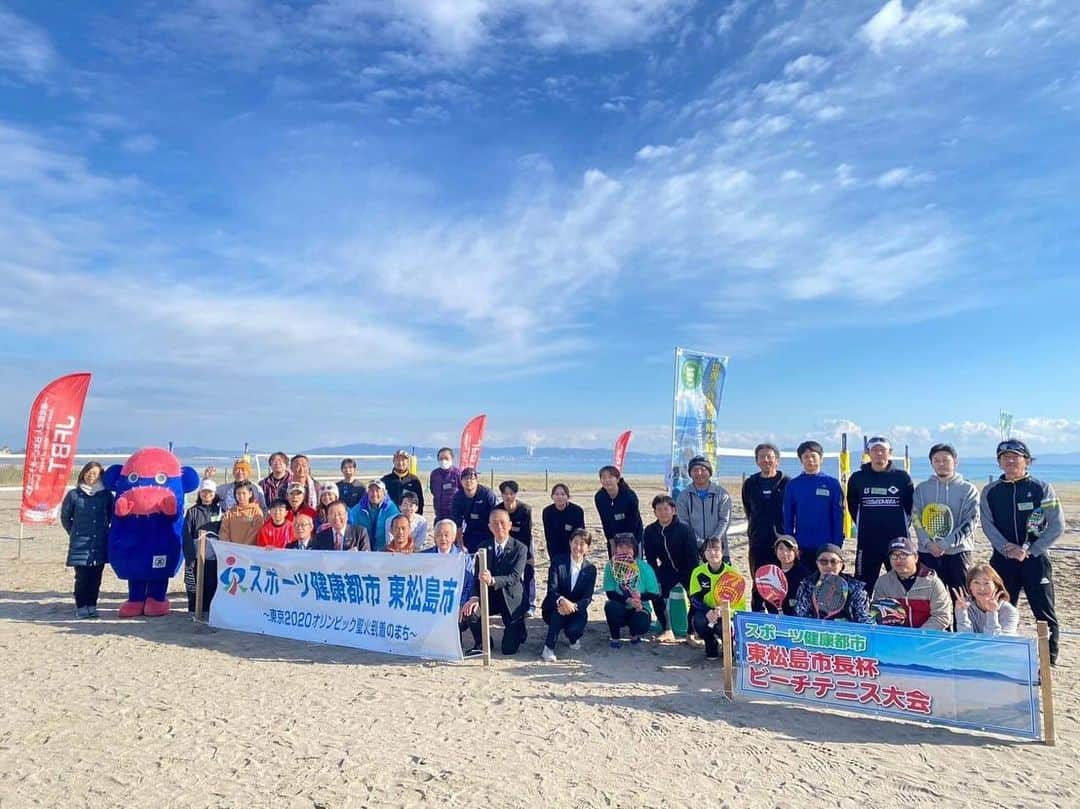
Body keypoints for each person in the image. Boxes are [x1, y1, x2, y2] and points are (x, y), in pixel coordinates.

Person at [981, 438, 1064, 664]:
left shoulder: (1041, 488)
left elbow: (1057, 525)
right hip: (1002, 561)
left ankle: (1049, 660)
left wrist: (1031, 550)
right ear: (999, 463)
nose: (1010, 460)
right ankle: (1000, 655)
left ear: (1026, 461)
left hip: (1035, 560)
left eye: (1015, 456)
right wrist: (1006, 549)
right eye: (1004, 457)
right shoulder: (990, 491)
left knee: (1044, 612)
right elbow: (987, 525)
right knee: (1000, 608)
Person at [847, 436, 915, 592]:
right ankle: (862, 615)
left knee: (901, 581)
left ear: (889, 453)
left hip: (897, 541)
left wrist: (898, 529)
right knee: (863, 584)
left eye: (882, 450)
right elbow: (853, 507)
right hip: (868, 541)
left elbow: (910, 509)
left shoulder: (901, 477)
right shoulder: (857, 478)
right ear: (868, 453)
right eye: (875, 450)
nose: (879, 454)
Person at [913, 443, 979, 596]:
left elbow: (971, 521)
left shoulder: (968, 489)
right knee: (929, 596)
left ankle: (961, 622)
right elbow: (916, 519)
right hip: (927, 551)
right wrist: (928, 543)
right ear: (931, 463)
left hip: (958, 551)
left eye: (946, 460)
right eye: (937, 460)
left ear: (955, 462)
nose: (941, 464)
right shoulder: (921, 489)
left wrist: (945, 543)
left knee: (961, 597)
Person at [642, 494, 700, 643]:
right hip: (667, 569)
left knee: (696, 597)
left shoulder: (684, 529)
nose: (663, 512)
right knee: (655, 591)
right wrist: (655, 579)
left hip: (688, 568)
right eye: (659, 509)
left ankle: (690, 633)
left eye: (666, 509)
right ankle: (667, 630)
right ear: (654, 512)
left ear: (673, 510)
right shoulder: (650, 531)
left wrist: (692, 579)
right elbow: (650, 558)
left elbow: (693, 557)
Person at [61, 461, 113, 618]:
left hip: (99, 541)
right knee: (82, 577)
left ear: (100, 476)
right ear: (83, 473)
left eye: (95, 473)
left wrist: (105, 531)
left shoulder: (106, 495)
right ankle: (81, 606)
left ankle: (92, 605)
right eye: (89, 472)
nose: (91, 476)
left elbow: (111, 515)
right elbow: (65, 517)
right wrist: (74, 532)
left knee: (96, 577)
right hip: (80, 543)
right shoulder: (74, 494)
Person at [423, 518, 483, 656]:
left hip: (458, 604)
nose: (443, 538)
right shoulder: (424, 556)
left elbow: (469, 584)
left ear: (453, 537)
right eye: (439, 535)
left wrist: (460, 604)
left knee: (472, 610)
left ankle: (481, 643)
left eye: (446, 535)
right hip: (434, 604)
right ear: (434, 537)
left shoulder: (463, 557)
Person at [742, 443, 790, 610]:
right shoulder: (750, 484)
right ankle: (757, 617)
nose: (766, 460)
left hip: (782, 541)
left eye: (770, 456)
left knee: (780, 581)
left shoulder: (787, 482)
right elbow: (749, 510)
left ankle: (779, 616)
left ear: (777, 460)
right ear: (757, 461)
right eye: (761, 457)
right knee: (759, 580)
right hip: (758, 540)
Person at [477, 509, 528, 655]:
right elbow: (477, 577)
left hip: (511, 597)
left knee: (509, 649)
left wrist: (493, 580)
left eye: (502, 523)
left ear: (510, 525)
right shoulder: (483, 547)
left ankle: (519, 626)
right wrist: (475, 598)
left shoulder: (520, 548)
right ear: (489, 526)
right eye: (494, 523)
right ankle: (484, 641)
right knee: (472, 614)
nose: (499, 527)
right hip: (491, 596)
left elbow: (514, 576)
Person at [541, 528, 597, 661]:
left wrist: (572, 606)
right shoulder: (558, 562)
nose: (578, 547)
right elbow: (552, 589)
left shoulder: (591, 569)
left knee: (574, 630)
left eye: (582, 544)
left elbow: (587, 597)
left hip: (577, 609)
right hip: (555, 606)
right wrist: (562, 601)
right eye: (575, 542)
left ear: (588, 548)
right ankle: (548, 648)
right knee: (558, 613)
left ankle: (573, 639)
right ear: (570, 543)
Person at [870, 537, 951, 630]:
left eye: (903, 555)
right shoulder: (883, 583)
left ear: (915, 557)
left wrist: (916, 636)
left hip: (926, 637)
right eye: (894, 556)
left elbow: (941, 617)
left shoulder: (933, 583)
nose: (898, 560)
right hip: (896, 637)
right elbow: (881, 616)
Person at [688, 536, 748, 660]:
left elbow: (741, 606)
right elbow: (694, 598)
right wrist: (708, 611)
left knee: (724, 626)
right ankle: (711, 644)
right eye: (708, 550)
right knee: (698, 621)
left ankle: (728, 647)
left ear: (722, 552)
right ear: (704, 553)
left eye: (716, 549)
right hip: (707, 611)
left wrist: (724, 612)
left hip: (726, 613)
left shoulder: (733, 574)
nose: (712, 553)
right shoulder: (698, 572)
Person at [782, 441, 844, 557]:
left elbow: (838, 516)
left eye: (813, 456)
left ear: (821, 459)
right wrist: (790, 542)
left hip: (827, 545)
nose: (810, 460)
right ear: (801, 460)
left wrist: (837, 543)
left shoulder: (832, 483)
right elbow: (788, 516)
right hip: (802, 544)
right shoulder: (793, 485)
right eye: (806, 457)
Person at [603, 534, 660, 648]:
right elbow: (610, 593)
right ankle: (615, 637)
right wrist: (628, 600)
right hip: (620, 605)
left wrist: (640, 597)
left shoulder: (644, 567)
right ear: (616, 549)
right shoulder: (610, 566)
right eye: (620, 546)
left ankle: (634, 635)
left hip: (640, 607)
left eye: (628, 547)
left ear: (634, 549)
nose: (624, 550)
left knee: (641, 622)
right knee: (610, 606)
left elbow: (654, 594)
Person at [794, 545, 873, 623]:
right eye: (823, 561)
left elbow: (864, 621)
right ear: (817, 563)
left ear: (841, 565)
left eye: (834, 562)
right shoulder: (806, 586)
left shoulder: (856, 589)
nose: (829, 565)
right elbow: (801, 618)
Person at [675, 455, 733, 561]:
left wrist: (712, 542)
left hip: (718, 550)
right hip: (693, 549)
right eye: (695, 470)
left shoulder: (721, 494)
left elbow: (725, 520)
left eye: (703, 469)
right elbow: (683, 522)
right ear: (690, 473)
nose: (699, 473)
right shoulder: (683, 496)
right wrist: (701, 543)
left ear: (710, 472)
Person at [495, 480, 536, 616]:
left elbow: (527, 534)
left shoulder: (525, 510)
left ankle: (531, 604)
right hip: (504, 544)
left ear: (515, 494)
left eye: (511, 493)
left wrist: (528, 556)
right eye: (505, 494)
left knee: (528, 571)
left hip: (523, 543)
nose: (508, 496)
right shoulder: (498, 510)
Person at [182, 478, 222, 613]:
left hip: (214, 555)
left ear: (214, 493)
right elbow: (186, 534)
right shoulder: (192, 511)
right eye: (204, 492)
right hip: (196, 554)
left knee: (211, 583)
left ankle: (209, 611)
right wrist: (189, 556)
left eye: (210, 492)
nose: (207, 494)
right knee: (193, 584)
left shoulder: (220, 511)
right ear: (200, 493)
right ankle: (194, 610)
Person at [954, 563, 1020, 636]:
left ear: (996, 586)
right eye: (976, 582)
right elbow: (965, 640)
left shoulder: (1008, 610)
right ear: (970, 587)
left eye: (986, 583)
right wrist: (962, 614)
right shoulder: (965, 606)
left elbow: (998, 642)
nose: (981, 588)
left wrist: (992, 613)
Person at [594, 465, 644, 556]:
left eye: (610, 477)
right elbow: (605, 522)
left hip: (633, 535)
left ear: (617, 479)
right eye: (603, 478)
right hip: (614, 536)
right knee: (616, 565)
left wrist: (627, 545)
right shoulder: (599, 497)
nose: (607, 480)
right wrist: (612, 543)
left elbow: (633, 522)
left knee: (634, 565)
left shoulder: (629, 496)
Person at [452, 467, 497, 553]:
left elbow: (496, 516)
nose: (468, 481)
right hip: (470, 530)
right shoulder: (458, 497)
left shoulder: (487, 494)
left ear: (476, 480)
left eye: (471, 478)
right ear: (461, 481)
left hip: (488, 530)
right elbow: (458, 523)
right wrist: (461, 544)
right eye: (465, 479)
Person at [348, 479, 400, 551]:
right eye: (371, 491)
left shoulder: (391, 509)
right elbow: (349, 526)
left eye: (377, 491)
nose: (374, 494)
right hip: (363, 550)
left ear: (384, 493)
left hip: (385, 550)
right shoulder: (358, 509)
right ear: (367, 493)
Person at [766, 535, 809, 616]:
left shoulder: (803, 573)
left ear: (796, 552)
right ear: (776, 551)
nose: (784, 553)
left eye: (789, 549)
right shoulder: (770, 572)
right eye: (781, 549)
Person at [541, 483, 586, 561]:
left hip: (574, 548)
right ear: (552, 496)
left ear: (568, 497)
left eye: (563, 494)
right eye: (556, 494)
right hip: (555, 549)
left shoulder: (577, 511)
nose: (559, 497)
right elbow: (548, 536)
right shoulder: (547, 512)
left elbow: (580, 534)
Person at [203, 458, 267, 512]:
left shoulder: (256, 488)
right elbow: (206, 493)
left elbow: (263, 508)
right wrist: (207, 478)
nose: (240, 472)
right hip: (229, 523)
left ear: (248, 473)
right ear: (233, 472)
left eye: (243, 469)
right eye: (237, 469)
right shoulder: (224, 489)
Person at [429, 447, 461, 522]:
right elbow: (433, 490)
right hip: (439, 514)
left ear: (452, 459)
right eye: (441, 458)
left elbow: (463, 492)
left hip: (454, 515)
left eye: (446, 458)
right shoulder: (434, 474)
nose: (443, 461)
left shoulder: (457, 474)